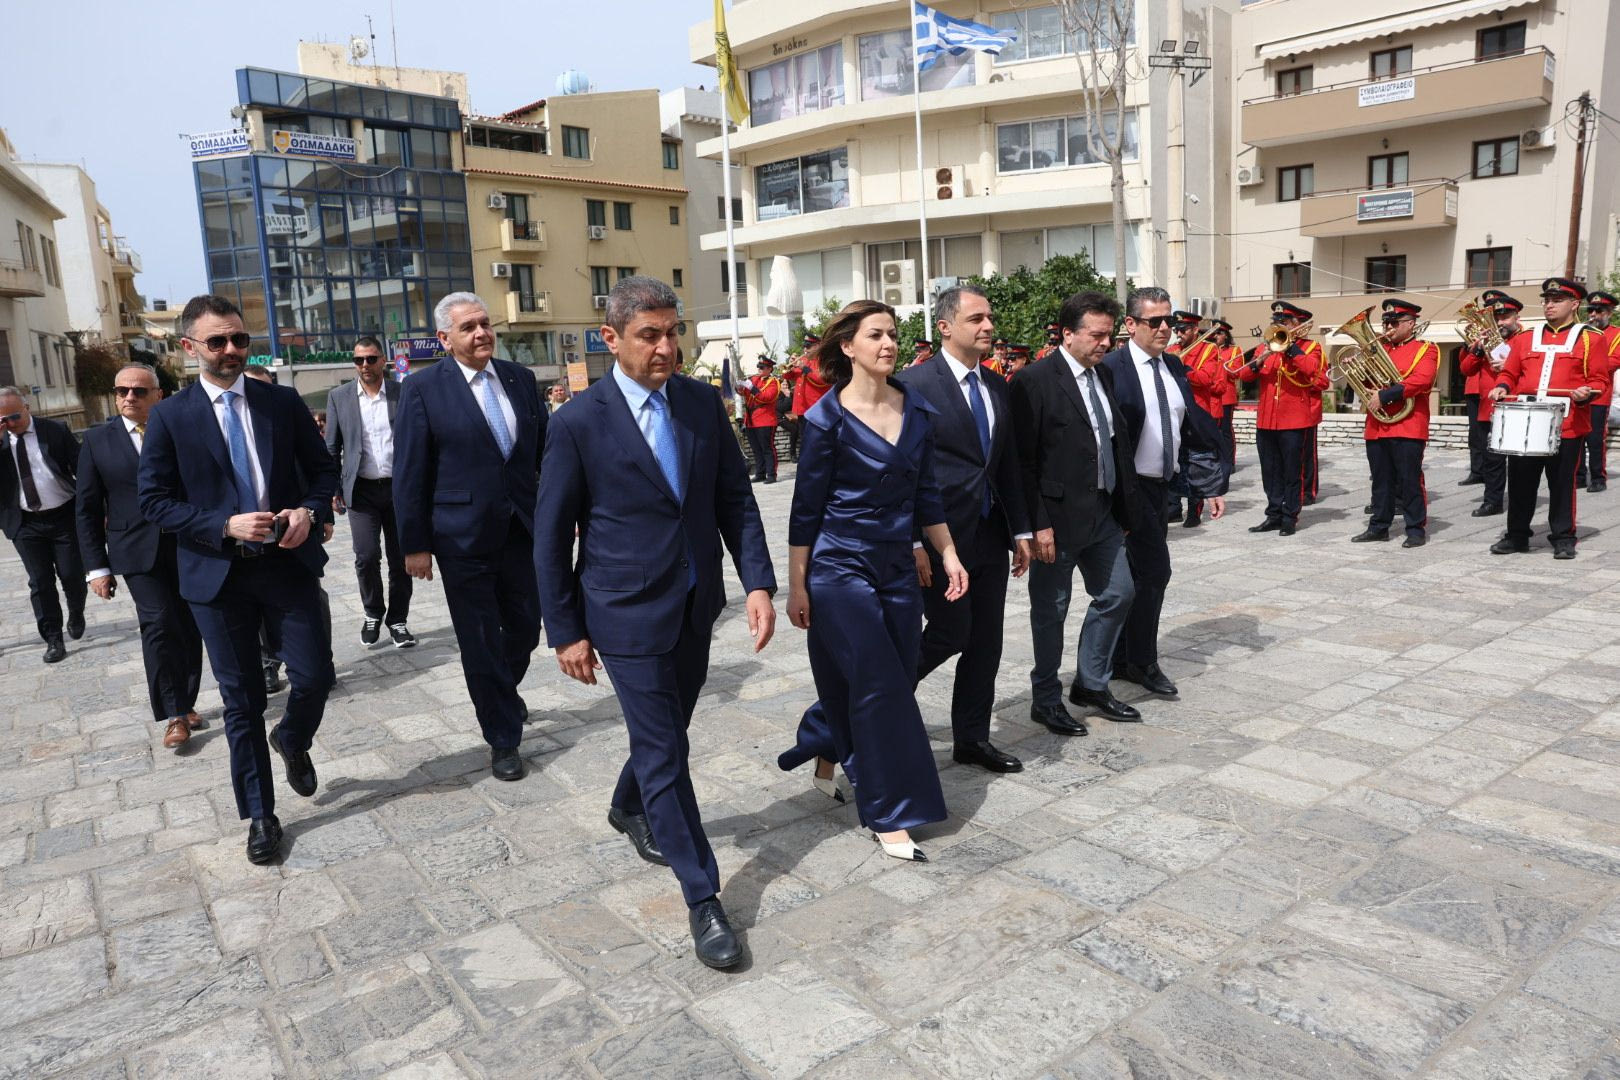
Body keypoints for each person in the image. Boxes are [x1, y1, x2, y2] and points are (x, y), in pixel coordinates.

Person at [536, 275, 776, 970]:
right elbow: (550, 539)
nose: (667, 347)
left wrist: (757, 583)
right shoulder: (577, 424)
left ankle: (627, 804)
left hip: (697, 604)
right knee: (667, 749)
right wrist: (566, 631)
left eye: (674, 333)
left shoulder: (700, 403)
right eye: (650, 335)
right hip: (622, 613)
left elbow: (735, 499)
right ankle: (703, 896)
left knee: (667, 732)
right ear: (611, 339)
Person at [138, 294, 337, 865]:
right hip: (216, 579)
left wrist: (309, 511)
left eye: (239, 339)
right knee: (242, 701)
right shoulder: (171, 417)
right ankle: (260, 815)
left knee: (315, 676)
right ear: (189, 347)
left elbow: (322, 470)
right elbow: (154, 500)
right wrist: (223, 524)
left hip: (286, 565)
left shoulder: (281, 401)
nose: (231, 350)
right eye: (217, 341)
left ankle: (292, 738)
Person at [783, 297, 966, 861]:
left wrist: (948, 554)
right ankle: (889, 811)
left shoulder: (917, 411)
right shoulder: (825, 420)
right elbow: (804, 512)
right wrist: (797, 585)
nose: (888, 344)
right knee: (882, 685)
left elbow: (926, 494)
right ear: (848, 347)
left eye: (892, 334)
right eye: (874, 335)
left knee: (888, 679)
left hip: (896, 567)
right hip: (839, 568)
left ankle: (824, 744)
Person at [394, 292, 546, 780]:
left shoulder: (520, 379)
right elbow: (410, 471)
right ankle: (502, 738)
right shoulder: (422, 389)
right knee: (479, 640)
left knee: (526, 627)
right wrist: (414, 544)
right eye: (468, 327)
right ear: (444, 338)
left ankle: (501, 691)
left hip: (522, 529)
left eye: (484, 323)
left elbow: (544, 453)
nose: (481, 333)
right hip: (460, 537)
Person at [896, 285, 1032, 772]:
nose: (988, 326)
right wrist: (913, 538)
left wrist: (1021, 530)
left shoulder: (996, 384)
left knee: (986, 641)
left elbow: (1006, 463)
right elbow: (903, 469)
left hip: (989, 533)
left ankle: (972, 739)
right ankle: (873, 704)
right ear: (945, 327)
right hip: (938, 538)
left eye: (989, 317)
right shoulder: (912, 384)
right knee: (949, 632)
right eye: (976, 319)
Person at [1010, 291, 1140, 728]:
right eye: (1096, 335)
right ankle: (1046, 698)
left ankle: (1091, 683)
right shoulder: (1034, 381)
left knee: (1118, 593)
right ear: (1067, 334)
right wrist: (1037, 524)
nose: (1105, 343)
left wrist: (1123, 509)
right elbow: (1022, 462)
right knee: (1051, 612)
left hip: (1103, 512)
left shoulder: (1102, 375)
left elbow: (1111, 443)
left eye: (1110, 335)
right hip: (1055, 520)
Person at [1102, 287, 1227, 699]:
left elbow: (1190, 428)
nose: (1164, 328)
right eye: (1153, 321)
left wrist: (1209, 485)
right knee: (1152, 574)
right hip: (1126, 489)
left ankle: (1121, 658)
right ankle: (1140, 661)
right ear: (1130, 324)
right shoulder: (1112, 368)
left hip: (1160, 488)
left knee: (1141, 577)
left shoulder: (1173, 366)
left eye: (1168, 320)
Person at [75, 362, 204, 748]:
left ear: (158, 395)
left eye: (139, 391)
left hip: (187, 544)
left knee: (190, 624)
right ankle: (174, 713)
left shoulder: (181, 430)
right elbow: (87, 509)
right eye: (122, 391)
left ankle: (186, 700)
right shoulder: (97, 441)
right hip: (135, 550)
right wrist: (96, 567)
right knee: (159, 623)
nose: (129, 397)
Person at [1488, 277, 1609, 559]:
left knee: (1562, 483)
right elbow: (1510, 372)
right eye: (1547, 300)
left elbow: (1600, 380)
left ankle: (1564, 537)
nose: (1549, 305)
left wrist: (1586, 392)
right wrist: (1502, 386)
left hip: (1567, 424)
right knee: (1520, 483)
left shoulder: (1591, 338)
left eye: (1557, 300)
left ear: (1574, 304)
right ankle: (1517, 536)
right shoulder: (1526, 338)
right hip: (1526, 422)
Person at [326, 336, 415, 649]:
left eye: (371, 358)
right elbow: (332, 447)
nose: (365, 365)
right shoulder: (339, 397)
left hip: (399, 490)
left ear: (383, 361)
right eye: (358, 360)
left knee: (400, 558)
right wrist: (333, 488)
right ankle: (373, 612)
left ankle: (398, 620)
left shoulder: (402, 393)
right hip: (361, 491)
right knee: (366, 556)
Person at [0, 386, 86, 664]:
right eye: (3, 420)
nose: (10, 424)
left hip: (63, 516)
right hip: (24, 523)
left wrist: (96, 508)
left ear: (27, 407)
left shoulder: (55, 430)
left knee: (72, 575)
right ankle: (53, 638)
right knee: (40, 582)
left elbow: (82, 468)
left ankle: (76, 610)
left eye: (14, 416)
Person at [1350, 299, 1438, 548]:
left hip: (1408, 424)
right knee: (1380, 480)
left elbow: (1423, 380)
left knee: (1410, 480)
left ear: (1410, 324)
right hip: (1378, 425)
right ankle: (1379, 527)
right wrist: (1356, 368)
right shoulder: (1378, 350)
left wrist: (1386, 395)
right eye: (1386, 323)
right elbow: (1366, 385)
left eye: (1395, 323)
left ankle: (1415, 529)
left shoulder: (1426, 349)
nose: (1388, 327)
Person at [1237, 301, 1322, 535]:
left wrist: (1292, 350)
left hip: (1294, 421)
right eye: (1276, 322)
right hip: (1266, 420)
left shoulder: (1310, 347)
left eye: (1283, 322)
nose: (1278, 326)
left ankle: (1290, 516)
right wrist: (1260, 359)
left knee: (1292, 471)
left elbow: (1316, 373)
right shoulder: (1266, 347)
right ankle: (1273, 514)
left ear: (1296, 324)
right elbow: (1244, 374)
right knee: (1270, 471)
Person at [1459, 291, 1524, 518]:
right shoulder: (1486, 341)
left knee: (1518, 462)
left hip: (1515, 405)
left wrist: (1510, 365)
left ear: (1516, 317)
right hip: (1489, 407)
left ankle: (1519, 502)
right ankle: (1492, 501)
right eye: (1496, 318)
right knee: (1492, 460)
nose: (1500, 322)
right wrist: (1477, 348)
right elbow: (1466, 369)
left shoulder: (1525, 340)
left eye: (1505, 317)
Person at [1181, 319, 1232, 527]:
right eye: (1177, 329)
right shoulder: (1172, 349)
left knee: (1196, 461)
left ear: (1194, 330)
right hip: (1175, 410)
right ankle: (1172, 507)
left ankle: (1194, 509)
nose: (1178, 333)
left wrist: (1182, 368)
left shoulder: (1208, 350)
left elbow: (1204, 379)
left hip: (1197, 411)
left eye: (1183, 329)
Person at [1576, 291, 1620, 492]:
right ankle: (1579, 476)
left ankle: (1598, 477)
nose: (1593, 314)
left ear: (1609, 313)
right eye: (1591, 310)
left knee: (1594, 438)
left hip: (1599, 394)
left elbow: (1614, 361)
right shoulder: (1581, 332)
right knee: (1576, 436)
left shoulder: (1617, 334)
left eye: (1599, 311)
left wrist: (1585, 365)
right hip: (1577, 392)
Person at [739, 358, 781, 483]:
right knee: (756, 449)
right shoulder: (754, 379)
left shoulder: (773, 382)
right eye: (759, 367)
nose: (759, 369)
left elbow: (767, 397)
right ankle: (760, 473)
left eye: (762, 367)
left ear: (769, 369)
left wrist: (753, 388)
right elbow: (744, 393)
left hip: (765, 419)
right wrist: (739, 387)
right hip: (751, 419)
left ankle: (771, 474)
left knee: (767, 448)